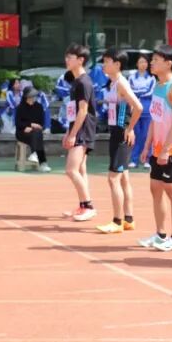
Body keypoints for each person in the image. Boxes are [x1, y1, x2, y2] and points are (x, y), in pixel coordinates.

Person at [138, 46, 172, 252]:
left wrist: (167, 149)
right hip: (157, 148)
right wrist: (146, 146)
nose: (152, 63)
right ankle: (160, 234)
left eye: (156, 60)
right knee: (155, 189)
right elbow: (154, 119)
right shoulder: (158, 86)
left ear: (168, 63)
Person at [96, 48, 143, 234]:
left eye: (107, 61)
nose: (103, 65)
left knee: (113, 178)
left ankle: (117, 221)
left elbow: (138, 107)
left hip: (121, 134)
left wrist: (129, 129)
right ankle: (128, 219)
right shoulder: (114, 83)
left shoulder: (121, 83)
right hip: (117, 132)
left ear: (117, 64)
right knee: (123, 178)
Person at [62, 43, 97, 221]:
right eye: (66, 57)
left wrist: (73, 134)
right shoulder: (77, 82)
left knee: (71, 170)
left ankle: (88, 206)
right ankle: (83, 205)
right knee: (81, 169)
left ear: (80, 60)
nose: (66, 60)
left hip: (83, 130)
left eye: (70, 57)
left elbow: (83, 111)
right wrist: (68, 131)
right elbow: (73, 111)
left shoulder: (83, 82)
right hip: (78, 128)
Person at [15, 85, 51, 173]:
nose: (33, 98)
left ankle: (35, 154)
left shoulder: (39, 107)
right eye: (30, 97)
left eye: (34, 96)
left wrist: (33, 127)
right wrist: (29, 125)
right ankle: (42, 163)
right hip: (22, 132)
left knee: (37, 133)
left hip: (35, 132)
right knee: (38, 136)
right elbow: (18, 123)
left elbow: (41, 123)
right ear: (26, 97)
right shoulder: (20, 107)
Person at [128, 54, 156, 168]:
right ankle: (134, 160)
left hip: (147, 109)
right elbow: (129, 91)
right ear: (137, 64)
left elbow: (150, 92)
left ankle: (147, 160)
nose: (143, 64)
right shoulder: (131, 77)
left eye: (145, 62)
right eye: (141, 62)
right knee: (135, 135)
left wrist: (138, 94)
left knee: (146, 135)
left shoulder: (152, 78)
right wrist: (138, 94)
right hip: (135, 109)